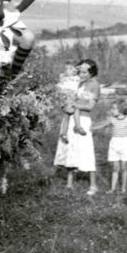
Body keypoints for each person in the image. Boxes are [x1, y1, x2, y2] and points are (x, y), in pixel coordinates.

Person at [54, 59, 101, 195]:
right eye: (80, 71)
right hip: (71, 118)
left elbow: (90, 106)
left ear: (91, 73)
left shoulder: (94, 85)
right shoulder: (76, 82)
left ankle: (93, 185)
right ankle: (70, 182)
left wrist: (75, 106)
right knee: (70, 148)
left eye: (84, 72)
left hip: (83, 119)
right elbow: (67, 97)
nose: (81, 74)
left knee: (86, 150)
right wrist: (66, 105)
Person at [91, 99, 127, 194]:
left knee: (124, 167)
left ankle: (123, 188)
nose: (112, 111)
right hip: (114, 144)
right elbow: (102, 125)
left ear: (121, 110)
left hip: (125, 143)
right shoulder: (112, 119)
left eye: (114, 109)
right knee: (115, 168)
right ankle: (112, 189)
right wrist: (92, 128)